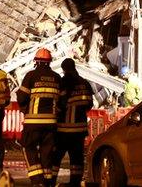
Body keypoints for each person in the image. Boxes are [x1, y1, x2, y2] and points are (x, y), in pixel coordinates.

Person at [17, 48, 61, 187]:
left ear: (36, 62)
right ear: (50, 62)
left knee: (28, 147)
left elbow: (22, 97)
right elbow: (63, 101)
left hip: (33, 122)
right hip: (52, 124)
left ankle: (37, 181)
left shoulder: (30, 76)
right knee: (47, 151)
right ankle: (47, 182)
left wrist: (25, 109)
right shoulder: (57, 78)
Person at [54, 58, 94, 187]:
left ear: (64, 69)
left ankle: (50, 181)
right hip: (79, 130)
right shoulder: (84, 83)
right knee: (76, 159)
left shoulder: (62, 83)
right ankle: (75, 183)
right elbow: (89, 104)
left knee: (56, 158)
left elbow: (59, 104)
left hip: (63, 130)